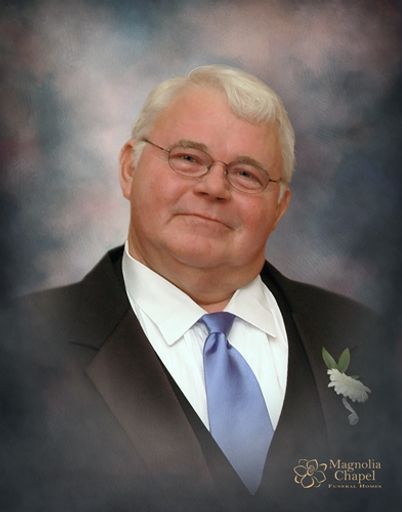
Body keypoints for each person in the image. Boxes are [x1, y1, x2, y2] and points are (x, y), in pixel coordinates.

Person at [0, 65, 389, 512]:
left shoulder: (364, 335)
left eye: (246, 174)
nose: (213, 187)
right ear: (129, 169)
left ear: (280, 206)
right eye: (187, 158)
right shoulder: (21, 343)